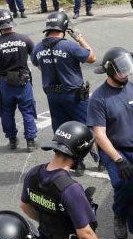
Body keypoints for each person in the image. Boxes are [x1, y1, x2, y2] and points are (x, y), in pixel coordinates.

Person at [88, 48, 133, 239]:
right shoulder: (98, 98)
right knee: (122, 186)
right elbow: (99, 134)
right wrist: (118, 159)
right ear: (110, 71)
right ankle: (119, 214)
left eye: (128, 69)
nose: (127, 74)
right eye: (122, 70)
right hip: (115, 150)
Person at [31, 12, 96, 148]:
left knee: (62, 131)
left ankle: (72, 162)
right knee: (88, 127)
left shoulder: (38, 48)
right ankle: (100, 159)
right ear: (64, 28)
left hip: (53, 96)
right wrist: (79, 38)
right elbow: (91, 58)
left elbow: (38, 64)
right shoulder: (69, 46)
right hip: (74, 95)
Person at [0, 9, 38, 151]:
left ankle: (12, 140)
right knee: (27, 110)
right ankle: (30, 141)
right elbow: (36, 59)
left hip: (5, 82)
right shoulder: (25, 39)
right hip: (23, 80)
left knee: (7, 112)